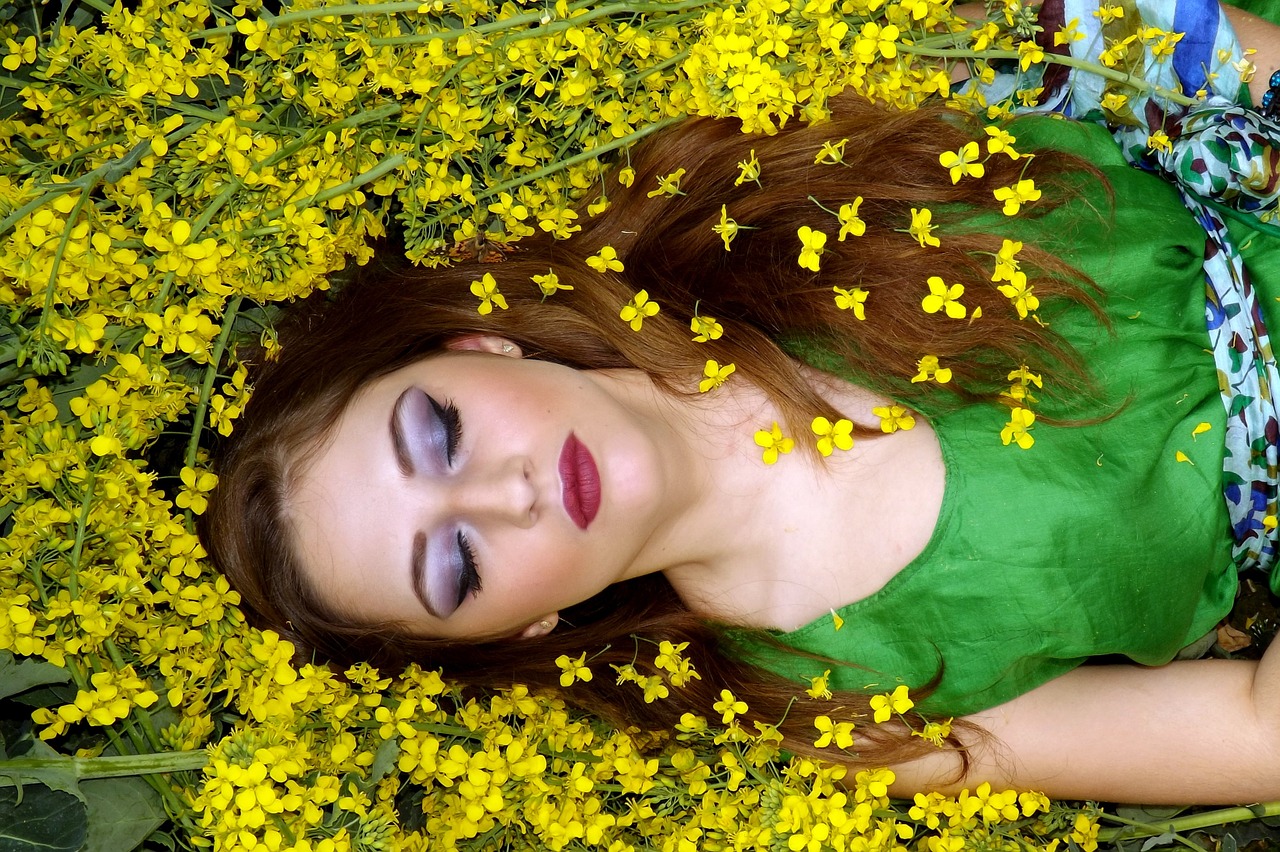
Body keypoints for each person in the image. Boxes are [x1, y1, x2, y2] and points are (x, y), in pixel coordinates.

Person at [201, 0, 1280, 805]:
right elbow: (1252, 732)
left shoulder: (739, 187)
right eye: (454, 565)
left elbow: (1131, 41)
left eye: (437, 434)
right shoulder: (829, 706)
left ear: (479, 343)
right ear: (517, 629)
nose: (503, 494)